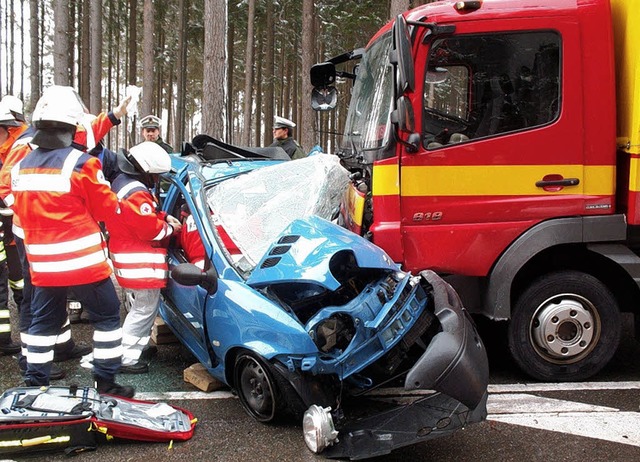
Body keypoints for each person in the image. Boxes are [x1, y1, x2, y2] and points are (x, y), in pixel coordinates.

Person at [9, 85, 134, 397]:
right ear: (72, 126)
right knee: (106, 317)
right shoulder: (81, 164)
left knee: (41, 324)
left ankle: (35, 385)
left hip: (43, 266)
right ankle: (105, 382)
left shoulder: (21, 166)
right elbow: (106, 207)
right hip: (84, 264)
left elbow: (18, 212)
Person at [108, 142, 181, 373]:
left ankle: (134, 348)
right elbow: (151, 230)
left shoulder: (124, 183)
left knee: (139, 307)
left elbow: (144, 214)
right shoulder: (137, 192)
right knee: (143, 309)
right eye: (156, 176)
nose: (157, 180)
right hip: (138, 262)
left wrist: (163, 215)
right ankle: (126, 358)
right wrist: (172, 229)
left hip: (127, 256)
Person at [0, 105, 21, 355]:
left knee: (20, 286)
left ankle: (5, 339)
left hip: (12, 238)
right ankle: (3, 341)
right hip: (7, 239)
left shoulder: (11, 155)